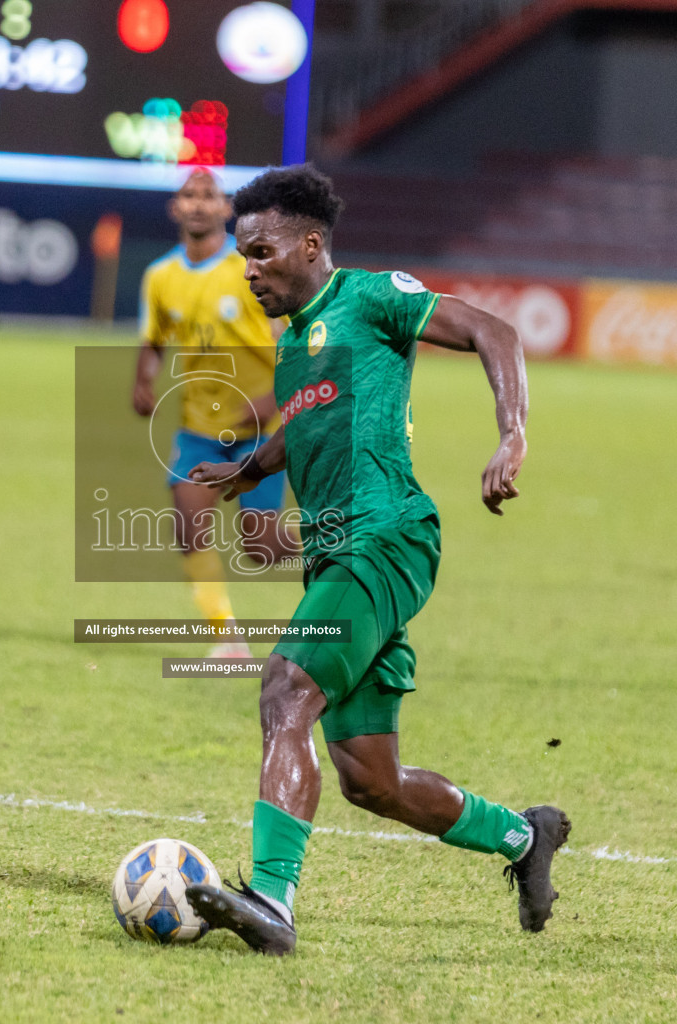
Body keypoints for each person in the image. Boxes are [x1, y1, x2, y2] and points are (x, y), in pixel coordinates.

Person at [183, 165, 570, 955]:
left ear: (311, 243)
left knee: (286, 690)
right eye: (241, 256)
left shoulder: (371, 296)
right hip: (335, 557)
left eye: (260, 251)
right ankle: (525, 839)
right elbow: (309, 419)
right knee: (371, 780)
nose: (248, 270)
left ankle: (273, 901)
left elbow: (493, 330)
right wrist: (249, 472)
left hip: (383, 535)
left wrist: (513, 431)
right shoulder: (297, 342)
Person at [132, 168, 296, 657]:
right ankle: (227, 637)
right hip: (200, 425)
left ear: (227, 210)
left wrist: (272, 398)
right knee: (188, 526)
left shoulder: (251, 271)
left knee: (261, 548)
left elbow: (295, 343)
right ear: (175, 208)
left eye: (209, 195)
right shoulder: (161, 276)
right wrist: (143, 379)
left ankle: (336, 547)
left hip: (262, 430)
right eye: (190, 195)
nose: (200, 203)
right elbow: (155, 338)